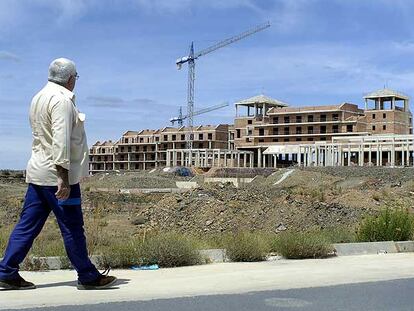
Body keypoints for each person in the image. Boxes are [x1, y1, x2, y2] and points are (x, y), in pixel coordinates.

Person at [0, 58, 117, 290]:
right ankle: (88, 276)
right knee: (73, 227)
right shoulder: (62, 101)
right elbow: (60, 140)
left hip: (38, 175)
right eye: (77, 78)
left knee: (27, 225)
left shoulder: (38, 97)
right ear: (70, 78)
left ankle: (6, 271)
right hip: (58, 178)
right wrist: (62, 178)